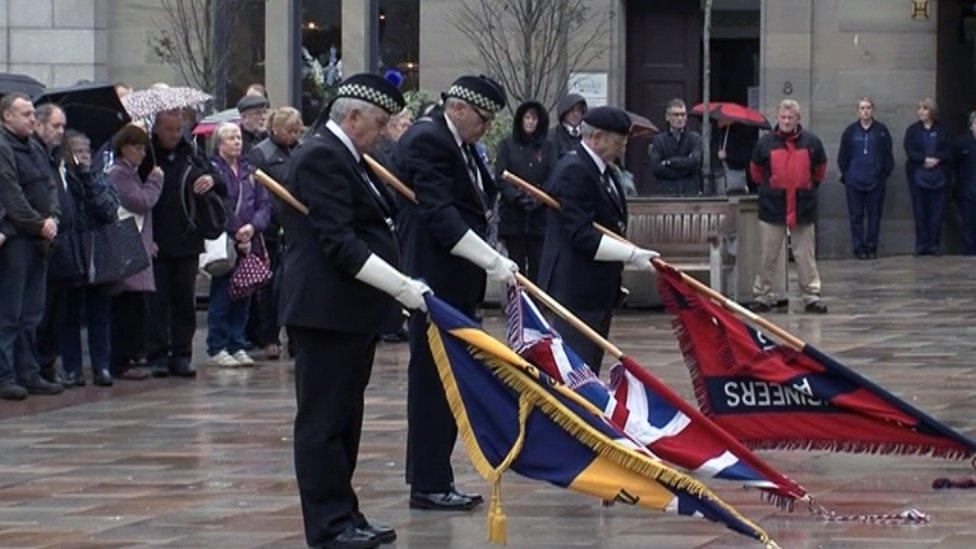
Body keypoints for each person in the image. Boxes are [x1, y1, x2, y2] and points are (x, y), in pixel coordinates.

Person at [279, 73, 425, 548]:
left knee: (345, 418)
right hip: (326, 310)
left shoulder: (350, 155)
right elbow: (339, 240)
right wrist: (401, 286)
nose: (383, 132)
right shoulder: (323, 154)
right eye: (379, 123)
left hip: (350, 312)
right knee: (323, 423)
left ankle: (345, 512)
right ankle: (327, 525)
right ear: (353, 115)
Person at [394, 75, 516, 511]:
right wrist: (492, 261)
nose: (485, 128)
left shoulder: (460, 145)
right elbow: (441, 217)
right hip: (435, 278)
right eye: (482, 118)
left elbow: (481, 200)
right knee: (432, 383)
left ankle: (434, 477)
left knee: (447, 385)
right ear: (460, 108)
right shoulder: (430, 140)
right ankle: (428, 482)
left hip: (456, 282)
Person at [538, 106, 658, 373]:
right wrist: (631, 254)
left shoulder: (606, 171)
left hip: (597, 289)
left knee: (589, 367)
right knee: (575, 370)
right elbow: (582, 235)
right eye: (618, 142)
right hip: (576, 288)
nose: (623, 148)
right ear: (597, 137)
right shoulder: (574, 169)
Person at [143, 109, 223, 378]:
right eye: (169, 129)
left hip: (187, 239)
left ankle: (182, 354)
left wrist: (210, 179)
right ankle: (157, 354)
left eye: (178, 130)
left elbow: (218, 180)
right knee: (157, 302)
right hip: (158, 241)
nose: (174, 135)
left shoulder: (191, 154)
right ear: (156, 129)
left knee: (184, 303)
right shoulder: (147, 156)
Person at [0, 93, 63, 399]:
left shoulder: (35, 147)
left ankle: (29, 372)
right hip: (17, 240)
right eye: (25, 114)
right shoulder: (3, 147)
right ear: (6, 116)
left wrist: (53, 216)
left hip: (40, 239)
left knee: (31, 314)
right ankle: (5, 375)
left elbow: (50, 184)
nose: (31, 119)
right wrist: (39, 223)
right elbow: (11, 195)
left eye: (32, 114)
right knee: (9, 313)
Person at [748, 99, 828, 314]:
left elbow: (820, 169)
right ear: (777, 118)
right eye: (782, 117)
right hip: (772, 207)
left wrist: (808, 187)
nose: (785, 121)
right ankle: (762, 295)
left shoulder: (812, 142)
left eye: (789, 118)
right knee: (768, 254)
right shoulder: (765, 143)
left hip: (803, 206)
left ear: (797, 119)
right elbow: (755, 171)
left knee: (805, 255)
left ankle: (811, 295)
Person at [55, 130, 119, 387]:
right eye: (77, 151)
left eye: (86, 151)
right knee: (69, 312)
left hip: (98, 247)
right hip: (72, 250)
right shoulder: (62, 179)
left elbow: (108, 209)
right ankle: (72, 368)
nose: (83, 156)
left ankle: (101, 366)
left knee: (99, 312)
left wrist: (87, 178)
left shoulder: (98, 177)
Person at [207, 122, 271, 367]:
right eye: (230, 138)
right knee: (222, 295)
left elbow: (264, 204)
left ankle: (237, 342)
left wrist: (252, 227)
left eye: (238, 137)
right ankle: (218, 345)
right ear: (219, 143)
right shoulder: (214, 170)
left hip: (250, 238)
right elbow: (216, 205)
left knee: (244, 293)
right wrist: (236, 232)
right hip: (226, 241)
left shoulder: (250, 170)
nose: (237, 141)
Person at [108, 124, 164, 383]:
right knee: (126, 304)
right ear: (124, 148)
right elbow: (140, 202)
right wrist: (155, 180)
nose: (142, 153)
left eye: (144, 148)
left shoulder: (130, 173)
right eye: (137, 148)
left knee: (135, 304)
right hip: (125, 243)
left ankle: (130, 355)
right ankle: (122, 359)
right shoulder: (119, 174)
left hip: (136, 242)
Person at [248, 106, 303, 359]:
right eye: (288, 130)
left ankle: (296, 337)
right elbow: (262, 193)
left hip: (297, 227)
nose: (293, 135)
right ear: (275, 128)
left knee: (295, 282)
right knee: (270, 286)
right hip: (271, 227)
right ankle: (269, 335)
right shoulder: (261, 153)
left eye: (296, 130)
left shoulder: (301, 151)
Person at [494, 100, 557, 282]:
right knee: (516, 267)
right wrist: (516, 196)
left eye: (534, 118)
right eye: (527, 117)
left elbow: (553, 175)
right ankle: (517, 307)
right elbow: (500, 176)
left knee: (538, 266)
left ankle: (536, 305)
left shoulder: (548, 146)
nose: (530, 122)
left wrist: (539, 198)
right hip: (514, 216)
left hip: (539, 217)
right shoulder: (507, 144)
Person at [32, 103, 72, 386]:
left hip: (61, 241)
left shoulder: (57, 158)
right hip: (39, 241)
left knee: (57, 308)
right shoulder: (33, 154)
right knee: (39, 311)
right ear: (40, 125)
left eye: (62, 127)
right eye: (55, 126)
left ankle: (47, 363)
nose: (60, 132)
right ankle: (37, 365)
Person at [838, 97, 894, 259]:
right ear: (858, 111)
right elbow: (843, 156)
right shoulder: (850, 131)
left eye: (868, 108)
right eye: (862, 108)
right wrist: (847, 175)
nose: (865, 111)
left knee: (874, 214)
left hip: (875, 181)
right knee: (856, 215)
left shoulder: (881, 130)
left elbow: (888, 155)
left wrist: (883, 174)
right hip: (854, 181)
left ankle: (871, 246)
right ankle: (858, 247)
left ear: (873, 110)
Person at [904, 97, 951, 256]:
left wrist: (936, 159)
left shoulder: (943, 129)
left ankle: (934, 244)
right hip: (918, 175)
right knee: (920, 211)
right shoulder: (912, 130)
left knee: (936, 212)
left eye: (925, 108)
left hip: (939, 176)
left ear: (931, 111)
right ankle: (922, 244)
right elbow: (909, 150)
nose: (921, 112)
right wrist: (924, 159)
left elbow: (949, 150)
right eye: (919, 108)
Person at [649, 99, 703, 196]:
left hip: (689, 193)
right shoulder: (659, 140)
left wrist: (669, 162)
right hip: (666, 192)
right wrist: (685, 168)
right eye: (676, 115)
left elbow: (694, 163)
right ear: (667, 117)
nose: (680, 118)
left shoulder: (695, 138)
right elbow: (656, 168)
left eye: (683, 115)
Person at [954, 111, 976, 255]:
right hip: (968, 190)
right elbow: (953, 164)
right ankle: (970, 251)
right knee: (968, 222)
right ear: (972, 125)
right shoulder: (961, 142)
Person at [549, 93, 587, 158]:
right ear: (564, 113)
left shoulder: (587, 136)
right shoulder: (553, 136)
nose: (576, 114)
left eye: (578, 110)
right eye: (572, 110)